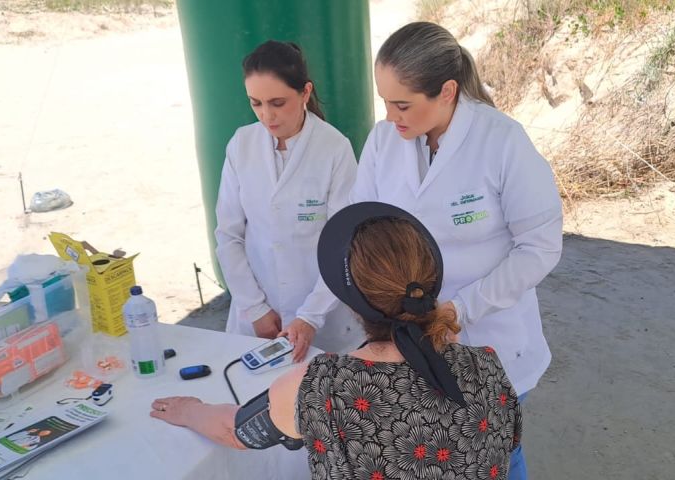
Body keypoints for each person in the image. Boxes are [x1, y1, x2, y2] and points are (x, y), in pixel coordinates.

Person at [151, 202, 523, 480]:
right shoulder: (488, 366)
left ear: (352, 302)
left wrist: (189, 409)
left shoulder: (321, 387)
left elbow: (236, 430)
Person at [349, 21, 564, 479]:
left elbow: (539, 247)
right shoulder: (384, 140)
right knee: (430, 455)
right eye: (385, 101)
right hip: (407, 339)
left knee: (496, 457)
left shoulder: (502, 142)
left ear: (446, 91)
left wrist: (462, 309)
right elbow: (360, 227)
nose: (390, 116)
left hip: (493, 337)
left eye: (402, 104)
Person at [214, 40, 362, 357]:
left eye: (278, 102)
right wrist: (255, 309)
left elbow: (345, 246)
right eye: (256, 103)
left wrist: (309, 316)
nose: (267, 115)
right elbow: (228, 235)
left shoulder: (335, 149)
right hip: (255, 319)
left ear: (305, 93)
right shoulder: (242, 144)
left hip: (324, 319)